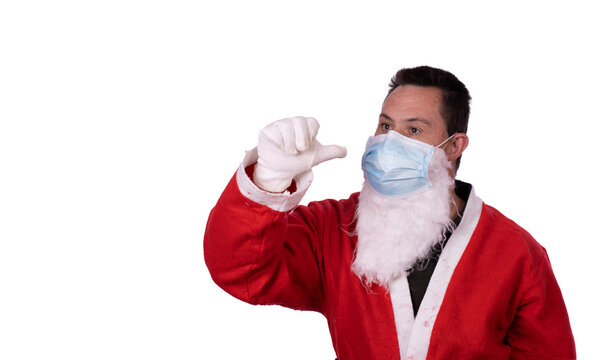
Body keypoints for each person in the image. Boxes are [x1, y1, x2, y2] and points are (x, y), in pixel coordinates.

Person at [204, 66, 576, 359]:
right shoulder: (334, 229)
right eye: (385, 125)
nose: (389, 141)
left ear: (454, 146)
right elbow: (240, 270)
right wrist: (269, 180)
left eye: (413, 129)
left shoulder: (517, 254)